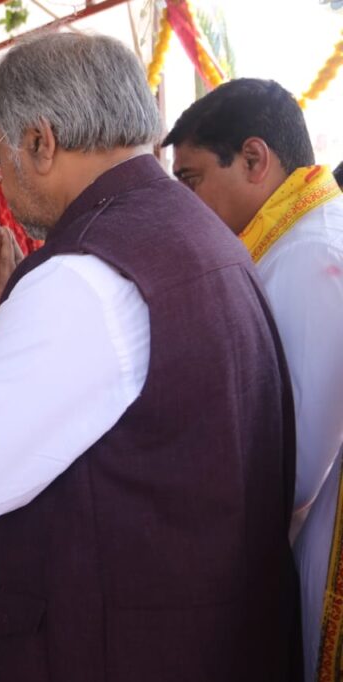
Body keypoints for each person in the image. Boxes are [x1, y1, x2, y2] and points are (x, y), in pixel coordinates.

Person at [0, 34, 299, 681]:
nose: (0, 180)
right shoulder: (209, 236)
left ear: (40, 142)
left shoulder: (82, 278)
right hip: (213, 636)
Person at [164, 78, 343, 681]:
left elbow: (292, 470)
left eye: (190, 181)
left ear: (253, 159)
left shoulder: (309, 254)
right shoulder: (296, 238)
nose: (185, 204)